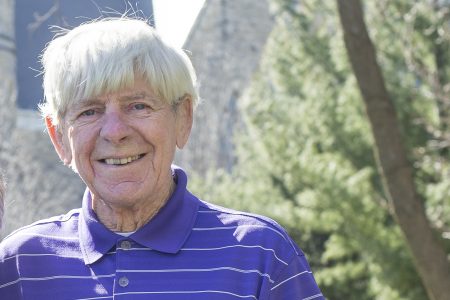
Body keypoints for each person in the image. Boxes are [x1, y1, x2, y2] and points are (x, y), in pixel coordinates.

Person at [0, 18, 324, 299]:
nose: (114, 132)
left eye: (138, 105)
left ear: (183, 119)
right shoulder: (19, 266)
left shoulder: (260, 257)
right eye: (89, 111)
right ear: (59, 138)